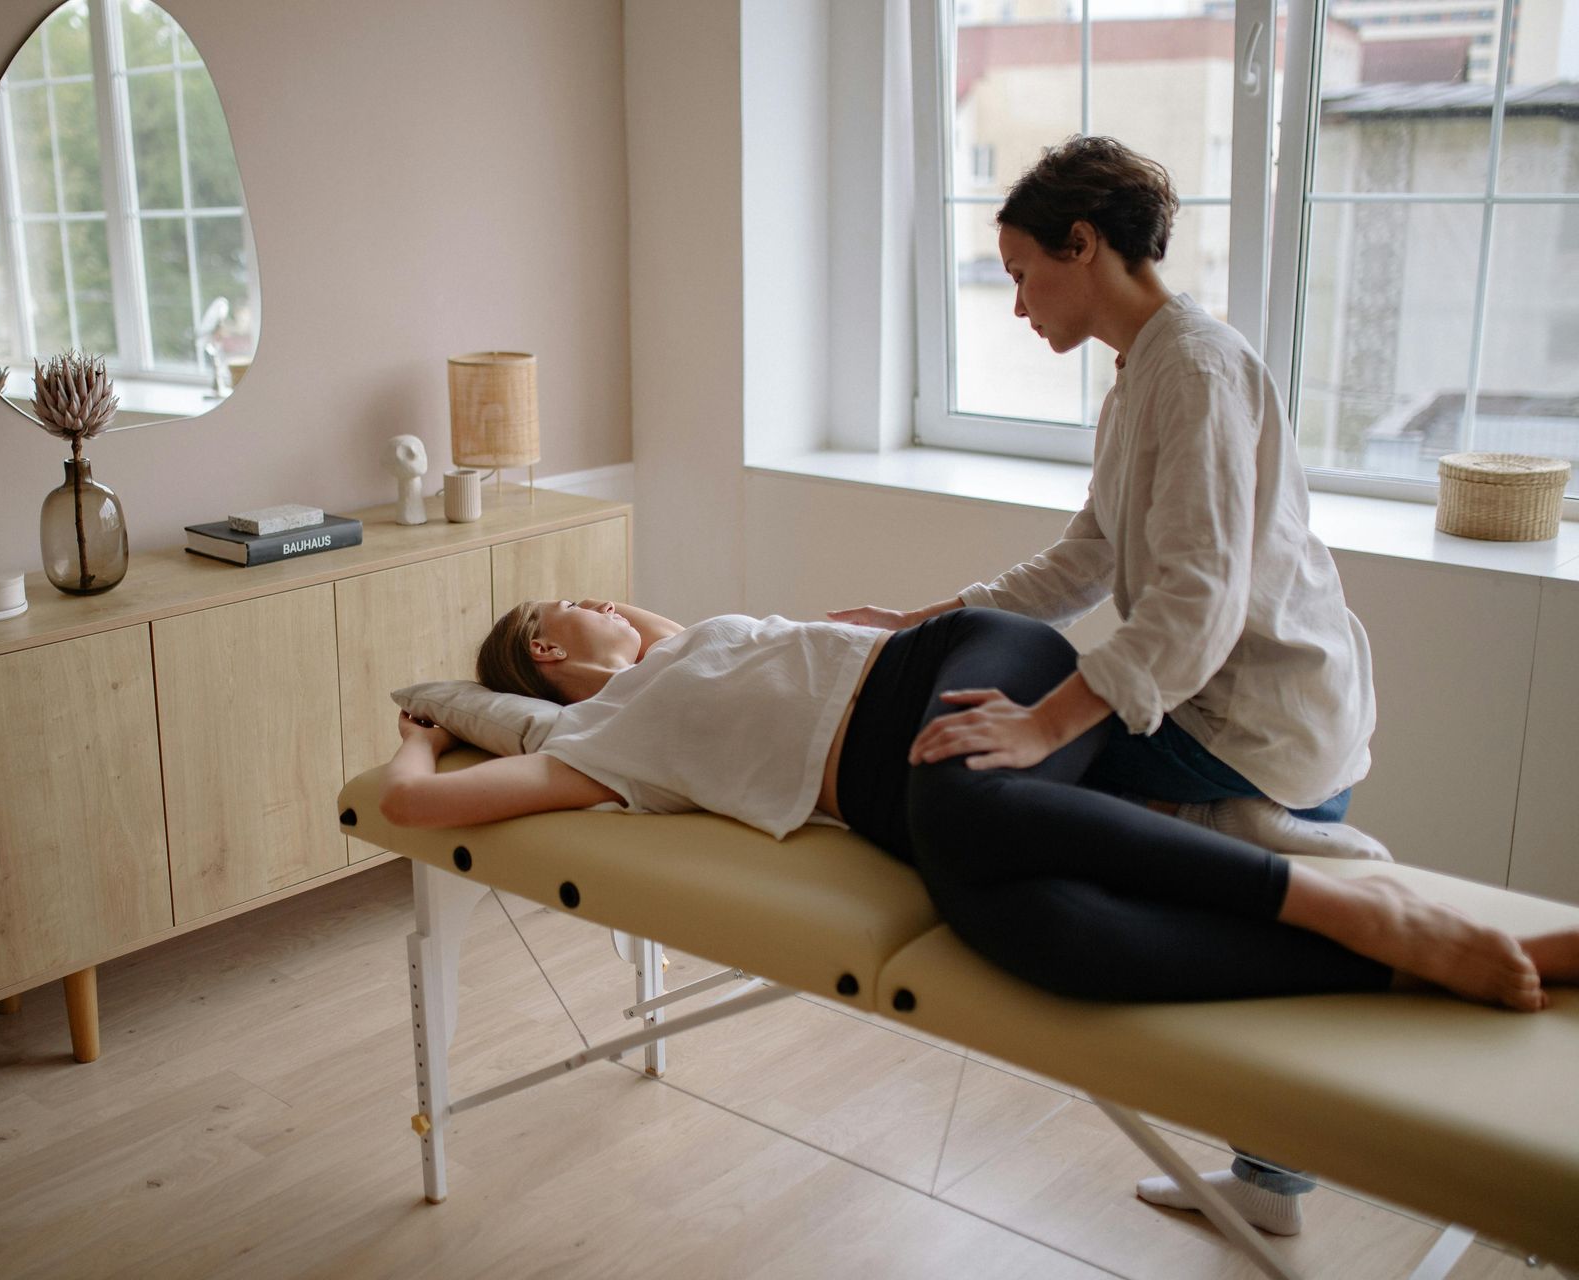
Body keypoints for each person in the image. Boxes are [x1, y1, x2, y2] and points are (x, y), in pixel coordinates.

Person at [830, 137, 1389, 1229]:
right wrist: (927, 619)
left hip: (1262, 714)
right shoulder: (1144, 373)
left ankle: (1327, 879)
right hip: (1232, 701)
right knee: (1227, 924)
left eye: (1021, 272)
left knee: (1011, 781)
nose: (1015, 304)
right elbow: (1084, 558)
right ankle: (1273, 1179)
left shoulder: (1195, 367)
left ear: (1083, 244)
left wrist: (1046, 725)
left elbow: (1195, 602)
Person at [382, 599, 1577, 1025]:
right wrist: (430, 724)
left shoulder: (686, 644)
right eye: (575, 603)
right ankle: (1403, 959)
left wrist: (605, 644)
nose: (612, 601)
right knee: (1044, 934)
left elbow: (643, 633)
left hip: (961, 664)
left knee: (958, 827)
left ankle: (1342, 907)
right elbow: (408, 803)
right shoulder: (599, 742)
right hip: (934, 788)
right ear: (544, 647)